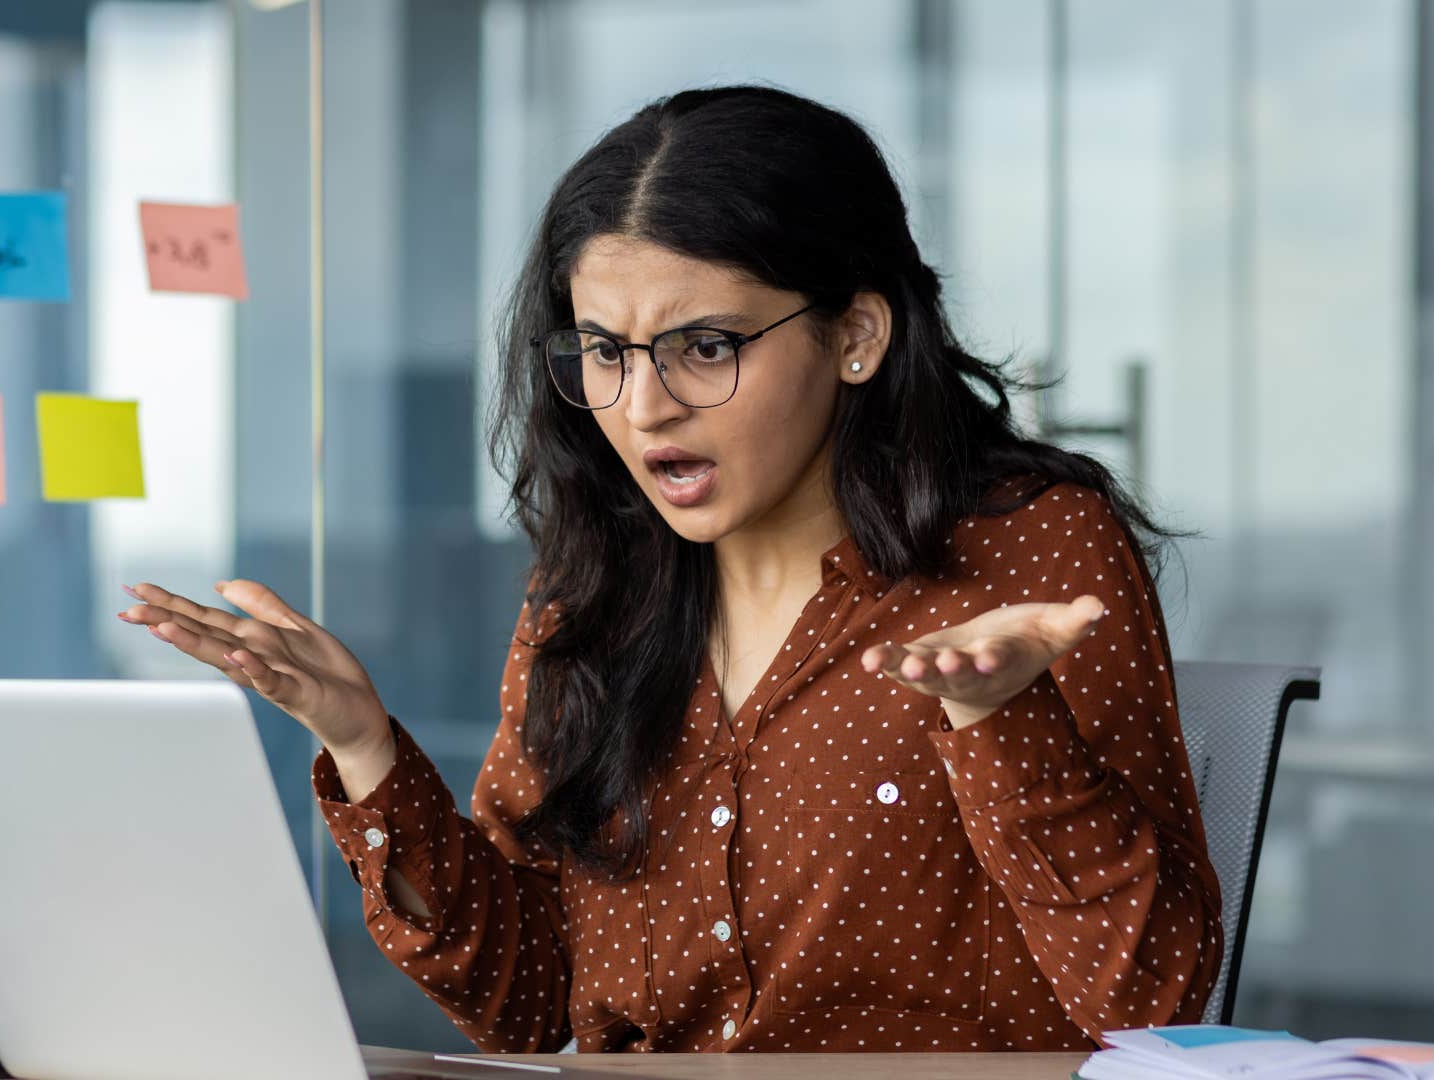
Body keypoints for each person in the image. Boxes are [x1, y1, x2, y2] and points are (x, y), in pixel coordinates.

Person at [118, 84, 1221, 1054]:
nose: (643, 410)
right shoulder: (598, 582)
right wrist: (362, 744)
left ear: (858, 335)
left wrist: (999, 722)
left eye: (705, 347)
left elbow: (1156, 1004)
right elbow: (526, 999)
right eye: (604, 350)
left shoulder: (1032, 549)